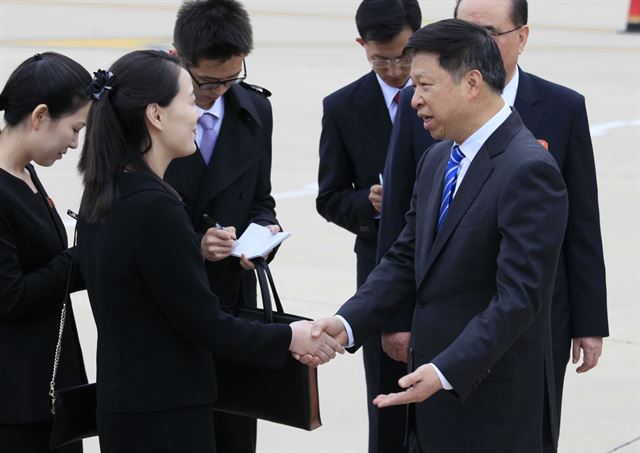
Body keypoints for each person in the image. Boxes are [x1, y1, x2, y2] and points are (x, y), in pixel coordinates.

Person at [313, 19, 569, 453]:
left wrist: (445, 370)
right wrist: (346, 323)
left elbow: (519, 298)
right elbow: (403, 258)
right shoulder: (437, 159)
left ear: (471, 83)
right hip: (429, 404)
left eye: (424, 85)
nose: (413, 100)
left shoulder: (528, 170)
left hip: (488, 408)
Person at [75, 50, 342, 453]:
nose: (200, 115)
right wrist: (289, 335)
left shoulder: (108, 192)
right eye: (189, 101)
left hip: (128, 405)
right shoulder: (155, 209)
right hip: (166, 416)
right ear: (156, 116)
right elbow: (204, 323)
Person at [378, 1, 609, 448]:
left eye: (487, 32)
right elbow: (406, 234)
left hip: (521, 340)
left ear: (521, 37)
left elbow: (582, 223)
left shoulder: (560, 109)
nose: (473, 42)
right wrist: (375, 318)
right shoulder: (431, 129)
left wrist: (589, 318)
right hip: (436, 346)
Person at [164, 2, 279, 448]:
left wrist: (263, 236)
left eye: (232, 78)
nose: (218, 91)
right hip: (172, 304)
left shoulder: (253, 111)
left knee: (233, 428)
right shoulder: (146, 113)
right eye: (207, 81)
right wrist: (196, 244)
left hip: (233, 301)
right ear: (178, 58)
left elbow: (261, 199)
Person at [315, 1, 421, 451]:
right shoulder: (343, 107)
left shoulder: (444, 93)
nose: (396, 70)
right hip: (381, 270)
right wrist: (370, 203)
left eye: (404, 56)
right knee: (389, 398)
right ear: (362, 46)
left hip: (445, 265)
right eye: (382, 59)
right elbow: (329, 197)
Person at [0, 52, 91, 453]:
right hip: (17, 406)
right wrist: (80, 256)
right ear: (40, 116)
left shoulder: (25, 172)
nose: (74, 142)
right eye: (74, 128)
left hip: (48, 391)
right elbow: (11, 296)